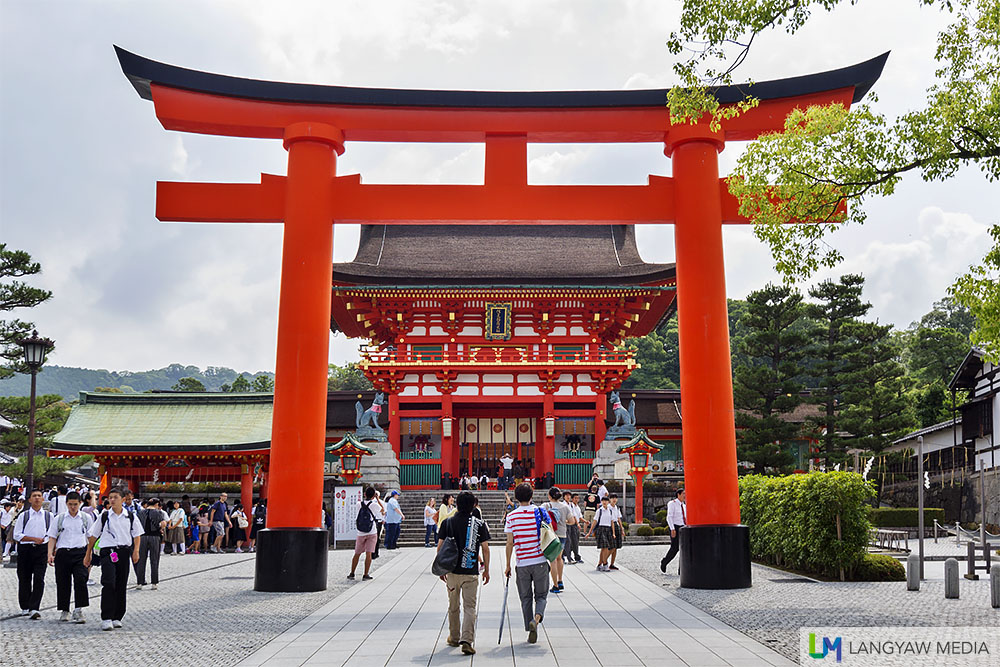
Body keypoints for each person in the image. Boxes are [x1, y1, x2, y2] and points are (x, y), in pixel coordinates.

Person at [437, 491, 490, 655]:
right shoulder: (479, 524)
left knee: (453, 606)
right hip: (470, 571)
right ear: (473, 505)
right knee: (470, 607)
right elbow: (486, 549)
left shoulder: (448, 523)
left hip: (452, 571)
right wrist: (486, 569)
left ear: (457, 504)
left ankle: (454, 637)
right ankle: (467, 640)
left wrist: (440, 567)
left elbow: (440, 547)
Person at [86, 487, 142, 631]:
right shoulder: (104, 516)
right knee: (109, 582)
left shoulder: (130, 516)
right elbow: (93, 535)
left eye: (115, 497)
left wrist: (136, 551)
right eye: (110, 497)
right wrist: (88, 553)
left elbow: (137, 535)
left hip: (123, 552)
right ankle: (106, 617)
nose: (112, 500)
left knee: (121, 583)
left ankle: (117, 616)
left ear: (123, 499)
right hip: (108, 552)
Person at [503, 482, 550, 644]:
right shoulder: (539, 512)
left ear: (516, 497)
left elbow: (510, 543)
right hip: (540, 561)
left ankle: (529, 625)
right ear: (532, 495)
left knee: (525, 598)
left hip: (522, 563)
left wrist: (508, 565)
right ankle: (536, 621)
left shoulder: (511, 516)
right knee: (542, 595)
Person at [47, 490, 93, 623]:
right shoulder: (60, 518)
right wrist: (50, 553)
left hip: (80, 552)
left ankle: (78, 609)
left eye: (75, 504)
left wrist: (89, 554)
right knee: (62, 582)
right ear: (66, 504)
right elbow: (52, 537)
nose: (73, 507)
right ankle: (64, 609)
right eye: (70, 504)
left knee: (80, 580)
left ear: (80, 503)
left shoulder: (86, 518)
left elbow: (91, 537)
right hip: (63, 553)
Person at [13, 489, 52, 618]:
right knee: (24, 578)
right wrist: (33, 539)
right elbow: (17, 535)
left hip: (41, 550)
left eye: (39, 496)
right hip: (26, 550)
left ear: (42, 499)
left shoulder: (48, 516)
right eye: (34, 496)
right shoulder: (24, 516)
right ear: (29, 499)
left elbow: (51, 534)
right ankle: (25, 605)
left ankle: (35, 607)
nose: (36, 498)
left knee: (39, 578)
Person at [348, 487, 381, 580]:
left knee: (357, 553)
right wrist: (377, 499)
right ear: (373, 496)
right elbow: (382, 510)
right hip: (372, 531)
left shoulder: (359, 504)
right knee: (368, 553)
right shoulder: (375, 505)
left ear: (365, 494)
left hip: (361, 532)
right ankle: (365, 574)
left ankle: (352, 573)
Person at [134, 497, 167, 590]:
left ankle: (140, 582)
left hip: (142, 537)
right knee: (154, 559)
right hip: (154, 537)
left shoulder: (140, 513)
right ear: (156, 505)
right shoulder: (159, 513)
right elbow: (162, 524)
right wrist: (161, 527)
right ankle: (154, 583)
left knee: (141, 560)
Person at [541, 487, 569, 593]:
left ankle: (555, 585)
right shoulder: (565, 507)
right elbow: (572, 520)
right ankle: (560, 580)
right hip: (562, 535)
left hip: (550, 535)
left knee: (552, 560)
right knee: (559, 558)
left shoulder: (545, 506)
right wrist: (563, 521)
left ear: (549, 496)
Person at [583, 495, 614, 571]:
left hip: (608, 529)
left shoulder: (610, 511)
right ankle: (605, 563)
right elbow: (594, 522)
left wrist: (613, 532)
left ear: (608, 502)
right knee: (605, 546)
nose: (604, 502)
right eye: (603, 501)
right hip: (601, 529)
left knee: (604, 548)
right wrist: (589, 532)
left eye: (606, 501)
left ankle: (600, 564)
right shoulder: (599, 511)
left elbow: (612, 522)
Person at [660, 488, 687, 573]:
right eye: (683, 494)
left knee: (684, 548)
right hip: (675, 527)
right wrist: (672, 529)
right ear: (678, 494)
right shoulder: (672, 504)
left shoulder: (684, 505)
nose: (685, 496)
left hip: (684, 527)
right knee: (675, 548)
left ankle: (681, 569)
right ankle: (664, 562)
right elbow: (669, 517)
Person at [563, 491, 582, 564]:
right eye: (566, 495)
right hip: (566, 524)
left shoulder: (571, 505)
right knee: (568, 541)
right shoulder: (563, 505)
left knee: (575, 541)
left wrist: (577, 524)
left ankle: (576, 556)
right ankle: (568, 557)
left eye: (569, 496)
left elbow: (574, 515)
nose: (568, 497)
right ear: (564, 497)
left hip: (572, 524)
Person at [608, 493, 625, 571]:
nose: (614, 499)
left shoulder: (617, 508)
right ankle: (604, 561)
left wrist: (622, 528)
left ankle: (612, 563)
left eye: (615, 498)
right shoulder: (608, 508)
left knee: (616, 547)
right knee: (612, 546)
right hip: (609, 525)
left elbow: (618, 519)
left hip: (616, 525)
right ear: (609, 499)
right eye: (612, 498)